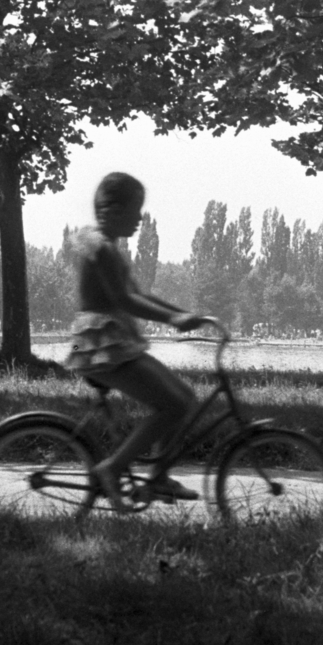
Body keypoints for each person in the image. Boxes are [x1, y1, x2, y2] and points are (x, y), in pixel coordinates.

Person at [69, 172, 208, 510]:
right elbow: (125, 299)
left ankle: (158, 478)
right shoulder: (101, 248)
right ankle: (112, 469)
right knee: (173, 405)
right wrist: (175, 319)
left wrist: (186, 314)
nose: (140, 219)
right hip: (104, 345)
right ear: (111, 210)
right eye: (136, 211)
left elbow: (138, 293)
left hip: (114, 342)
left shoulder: (104, 245)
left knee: (184, 398)